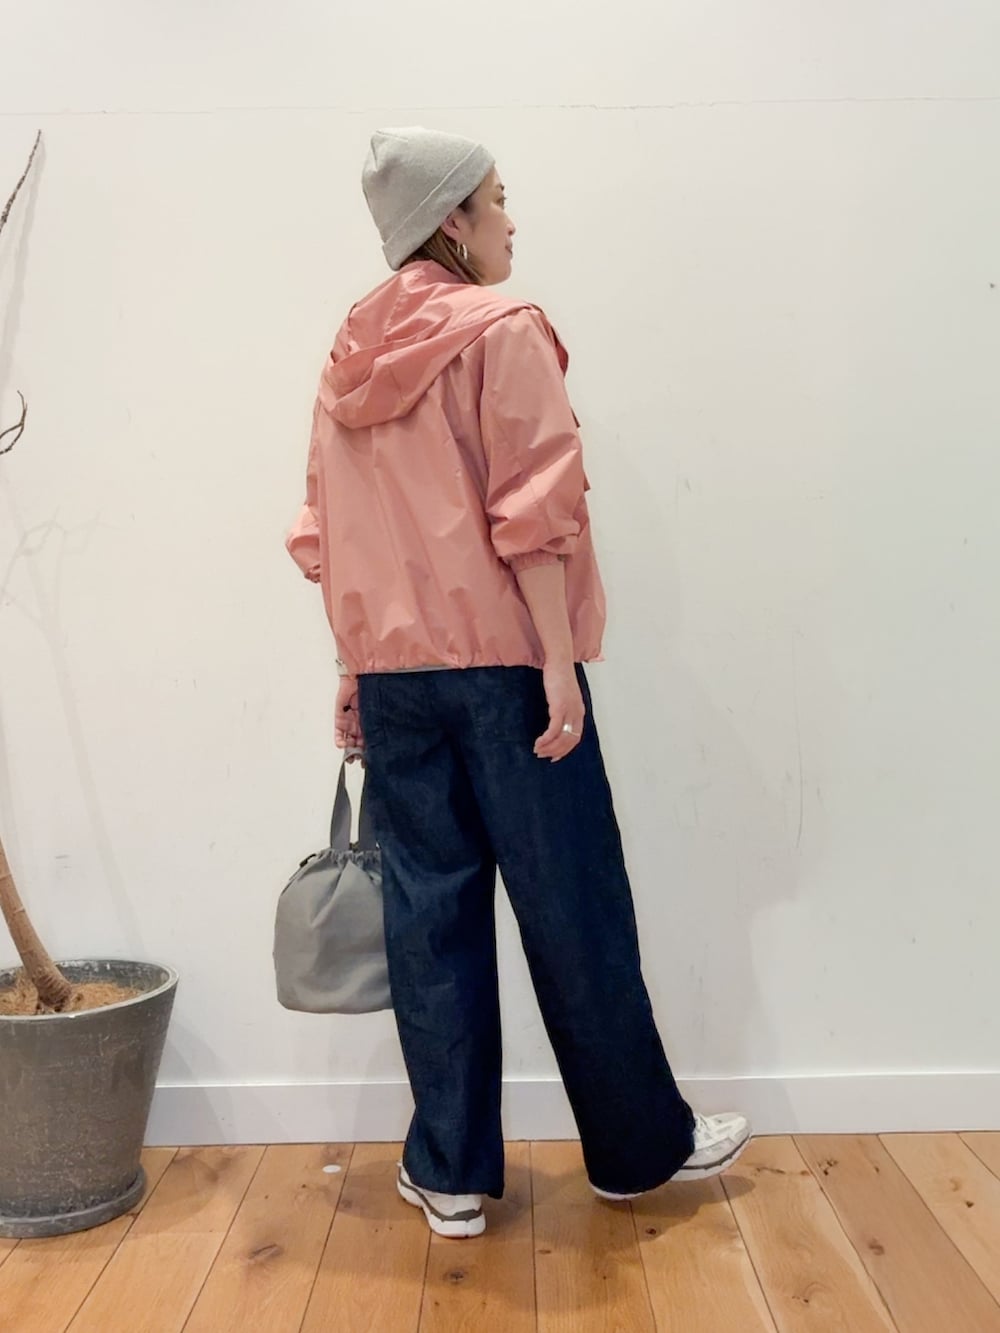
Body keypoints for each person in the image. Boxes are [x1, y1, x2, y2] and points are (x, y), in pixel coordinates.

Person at [286, 127, 751, 1240]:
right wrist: (555, 659)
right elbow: (535, 506)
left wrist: (353, 666)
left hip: (396, 683)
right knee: (572, 902)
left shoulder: (347, 358)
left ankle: (448, 1170)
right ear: (450, 219)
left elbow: (331, 530)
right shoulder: (503, 330)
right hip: (506, 670)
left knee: (430, 917)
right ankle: (636, 1148)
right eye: (496, 199)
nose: (510, 218)